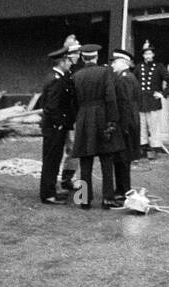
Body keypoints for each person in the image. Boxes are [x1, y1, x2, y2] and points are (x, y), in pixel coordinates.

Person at [68, 44, 124, 209]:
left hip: (84, 119)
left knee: (85, 161)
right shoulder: (106, 72)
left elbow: (74, 101)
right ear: (96, 57)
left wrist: (78, 117)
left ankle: (84, 199)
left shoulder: (76, 75)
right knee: (107, 160)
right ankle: (107, 199)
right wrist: (113, 121)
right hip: (102, 117)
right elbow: (111, 97)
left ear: (83, 58)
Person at [38, 43, 77, 205]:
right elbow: (52, 106)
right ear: (61, 62)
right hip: (54, 128)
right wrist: (60, 124)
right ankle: (48, 194)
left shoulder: (56, 78)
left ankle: (51, 190)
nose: (70, 63)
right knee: (51, 161)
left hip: (54, 126)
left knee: (53, 159)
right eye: (68, 61)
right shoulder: (56, 80)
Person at [110, 48, 142, 202]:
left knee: (122, 158)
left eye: (115, 62)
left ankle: (123, 190)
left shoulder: (124, 79)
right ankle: (122, 188)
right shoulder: (127, 77)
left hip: (125, 124)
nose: (113, 65)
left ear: (123, 63)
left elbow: (125, 104)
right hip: (128, 123)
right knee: (122, 158)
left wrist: (122, 126)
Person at [136, 42, 169, 158]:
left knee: (154, 127)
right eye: (146, 54)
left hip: (153, 101)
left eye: (150, 54)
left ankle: (155, 148)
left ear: (153, 55)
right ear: (143, 56)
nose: (148, 56)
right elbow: (134, 82)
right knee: (141, 126)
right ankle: (142, 148)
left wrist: (163, 94)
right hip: (141, 101)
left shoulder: (159, 67)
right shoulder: (139, 67)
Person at [58, 35, 83, 192]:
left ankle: (68, 178)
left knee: (73, 149)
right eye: (75, 52)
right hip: (67, 116)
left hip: (76, 115)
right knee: (70, 148)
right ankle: (65, 178)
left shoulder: (79, 69)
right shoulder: (64, 71)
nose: (77, 55)